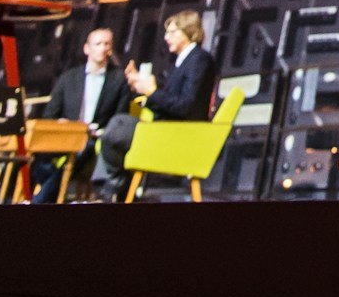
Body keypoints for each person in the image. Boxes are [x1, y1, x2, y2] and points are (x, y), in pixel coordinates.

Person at [97, 10, 219, 197]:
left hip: (180, 134)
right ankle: (118, 186)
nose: (166, 37)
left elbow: (185, 106)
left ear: (188, 32)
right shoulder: (184, 60)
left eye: (172, 32)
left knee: (116, 128)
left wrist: (152, 92)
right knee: (116, 126)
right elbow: (169, 100)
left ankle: (114, 186)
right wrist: (143, 88)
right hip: (166, 128)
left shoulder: (199, 60)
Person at [32, 26, 128, 204]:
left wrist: (99, 131)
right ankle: (48, 192)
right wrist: (61, 124)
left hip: (91, 137)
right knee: (38, 153)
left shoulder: (118, 80)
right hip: (65, 133)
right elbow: (50, 114)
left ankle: (40, 201)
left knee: (83, 149)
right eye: (98, 43)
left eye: (107, 44)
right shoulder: (68, 78)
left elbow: (120, 118)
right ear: (87, 48)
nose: (103, 48)